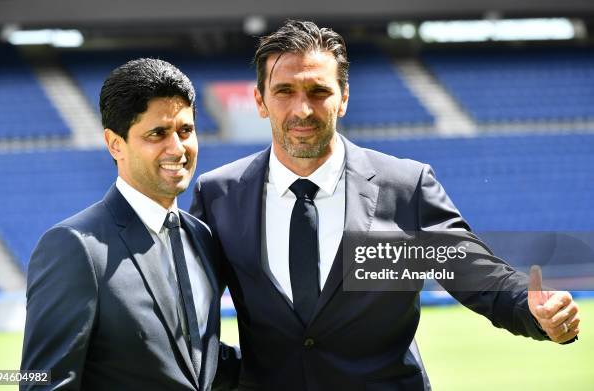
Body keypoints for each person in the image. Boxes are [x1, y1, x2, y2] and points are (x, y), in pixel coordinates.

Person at [189, 20, 581, 390]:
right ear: (260, 100)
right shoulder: (219, 194)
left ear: (343, 98)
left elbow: (475, 274)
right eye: (285, 91)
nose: (302, 110)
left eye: (319, 91)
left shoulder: (405, 187)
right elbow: (186, 309)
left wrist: (534, 312)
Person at [21, 58, 238, 390]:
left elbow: (195, 363)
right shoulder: (75, 247)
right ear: (114, 144)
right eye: (158, 133)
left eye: (186, 130)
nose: (177, 148)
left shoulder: (201, 236)